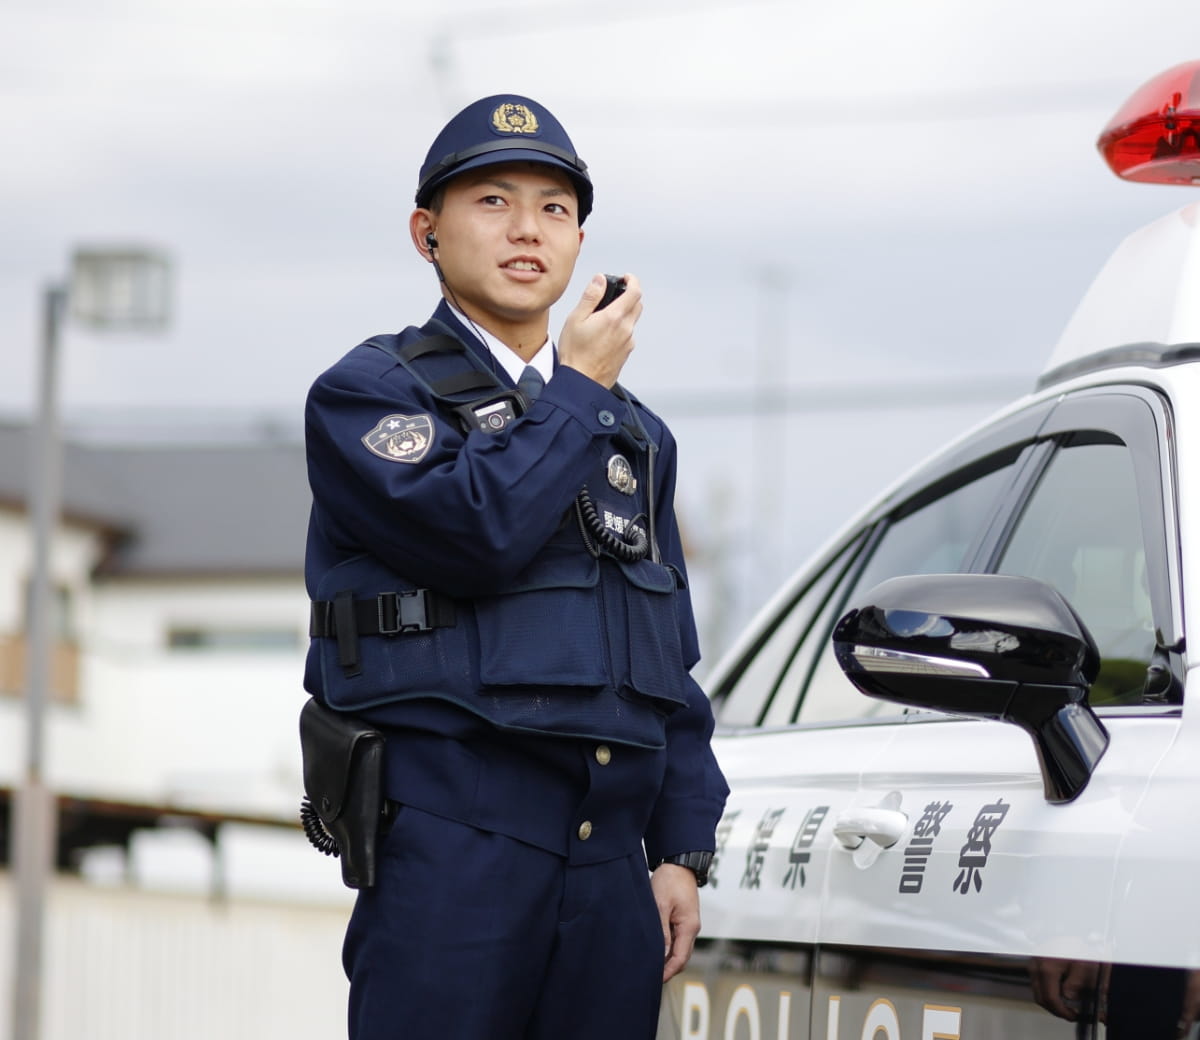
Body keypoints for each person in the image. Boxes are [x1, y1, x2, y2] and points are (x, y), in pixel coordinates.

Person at [302, 93, 729, 1040]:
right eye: (492, 201)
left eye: (555, 208)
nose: (528, 230)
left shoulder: (635, 434)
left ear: (580, 241)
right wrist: (576, 390)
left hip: (610, 865)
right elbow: (472, 534)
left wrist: (680, 850)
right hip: (454, 846)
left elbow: (667, 658)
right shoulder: (369, 391)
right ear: (428, 233)